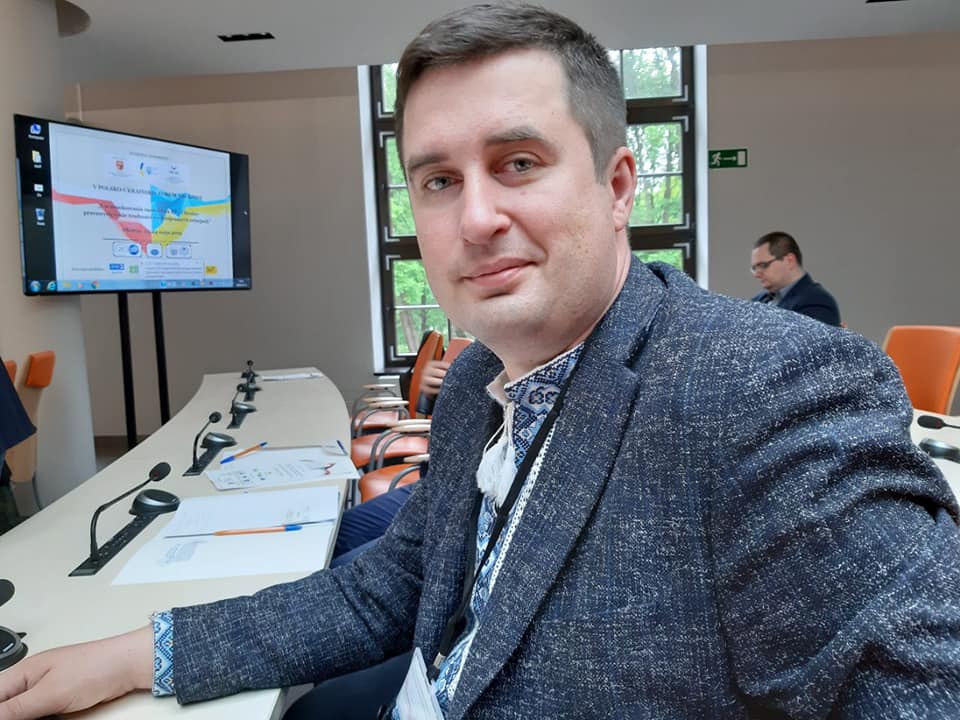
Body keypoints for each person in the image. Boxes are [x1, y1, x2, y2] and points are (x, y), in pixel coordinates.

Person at [2, 5, 960, 719]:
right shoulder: (474, 382)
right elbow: (390, 586)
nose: (474, 218)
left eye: (519, 163)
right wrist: (139, 653)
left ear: (618, 185)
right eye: (437, 180)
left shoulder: (769, 389)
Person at [750, 231, 841, 325]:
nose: (757, 274)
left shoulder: (817, 302)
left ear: (790, 260)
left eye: (763, 265)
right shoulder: (758, 300)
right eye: (754, 268)